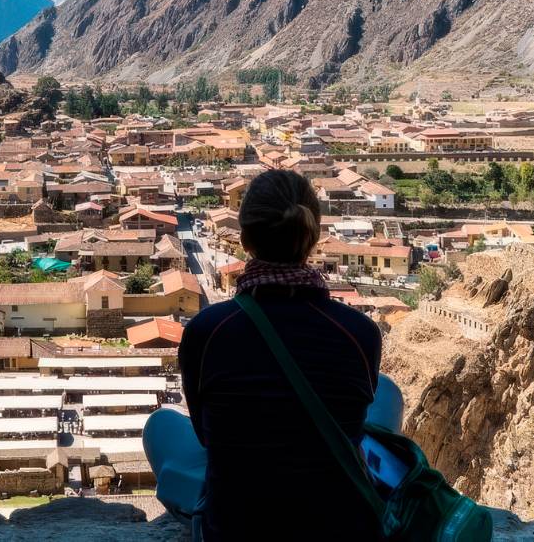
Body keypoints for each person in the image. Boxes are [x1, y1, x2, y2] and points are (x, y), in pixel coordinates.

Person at [163, 169, 384, 540]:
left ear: (245, 239)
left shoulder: (208, 330)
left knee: (162, 426)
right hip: (340, 526)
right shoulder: (359, 333)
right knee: (386, 395)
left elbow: (206, 434)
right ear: (313, 237)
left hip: (238, 526)